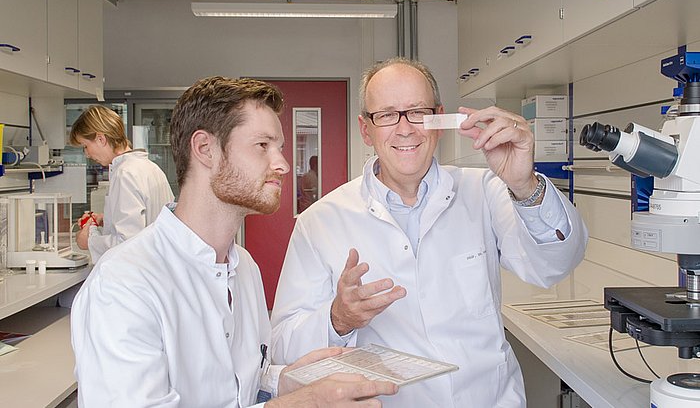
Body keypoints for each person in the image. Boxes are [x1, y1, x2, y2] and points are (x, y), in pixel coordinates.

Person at [270, 57, 588, 407]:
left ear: (438, 119)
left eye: (418, 112)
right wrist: (338, 319)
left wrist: (525, 185)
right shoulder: (322, 220)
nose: (405, 129)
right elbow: (283, 345)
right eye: (387, 115)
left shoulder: (485, 189)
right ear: (366, 129)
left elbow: (553, 266)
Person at [70, 76, 398, 407]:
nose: (282, 164)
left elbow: (237, 382)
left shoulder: (243, 267)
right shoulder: (124, 284)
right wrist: (300, 404)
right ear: (204, 149)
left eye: (280, 148)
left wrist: (285, 379)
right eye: (262, 146)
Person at [70, 105, 174, 263]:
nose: (87, 154)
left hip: (139, 276)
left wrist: (89, 239)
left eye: (86, 146)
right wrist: (108, 219)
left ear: (100, 138)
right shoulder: (151, 168)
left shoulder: (125, 174)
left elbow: (127, 243)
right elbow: (148, 221)